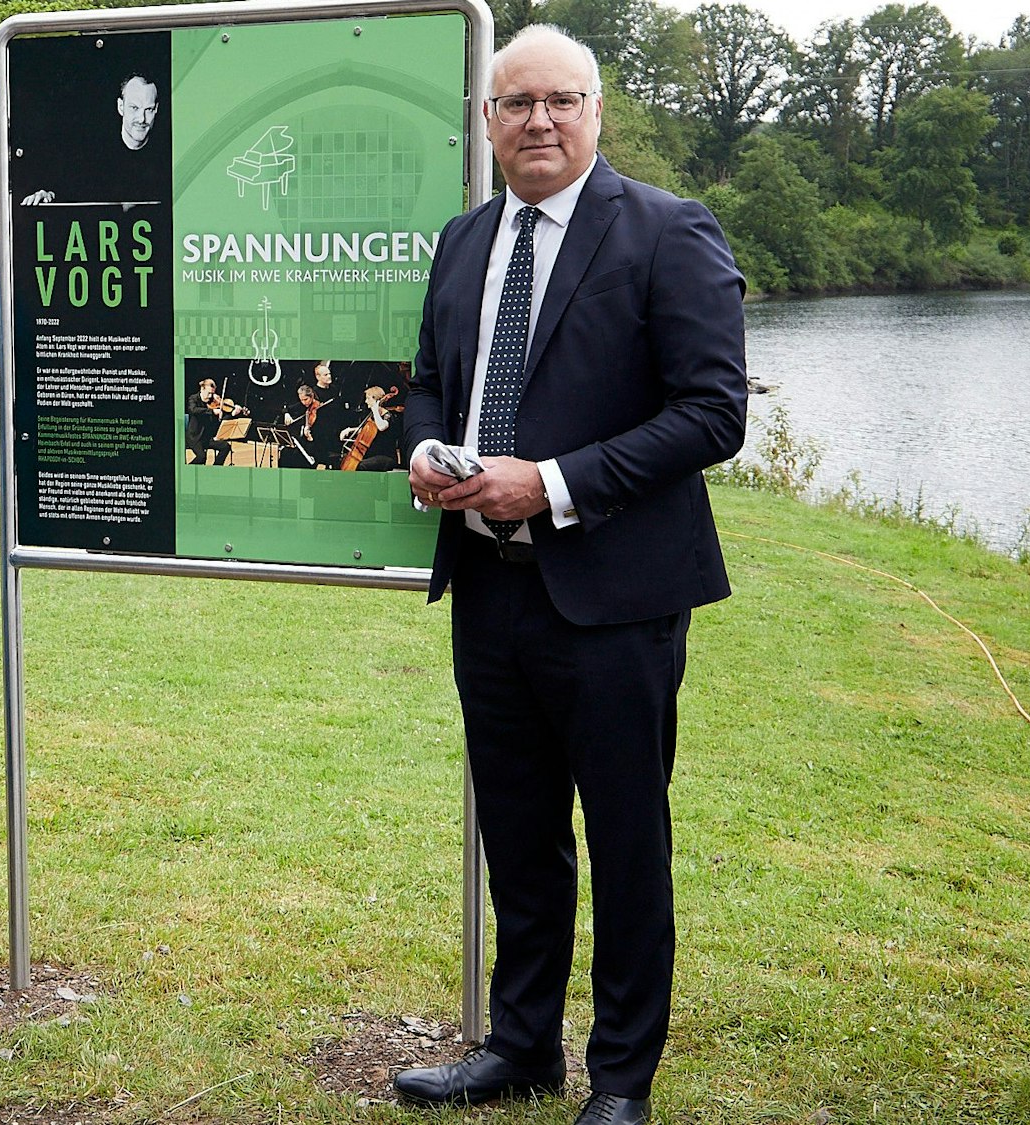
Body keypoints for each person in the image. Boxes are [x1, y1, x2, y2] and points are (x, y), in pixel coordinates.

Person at [395, 26, 747, 1123]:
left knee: (627, 843)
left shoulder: (666, 231)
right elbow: (426, 379)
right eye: (516, 103)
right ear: (486, 120)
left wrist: (547, 483)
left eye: (559, 100)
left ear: (595, 111)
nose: (537, 120)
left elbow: (712, 412)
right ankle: (521, 1049)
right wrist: (424, 447)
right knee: (518, 833)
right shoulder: (463, 239)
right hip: (489, 589)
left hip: (615, 601)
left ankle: (620, 1083)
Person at [18, 73, 166, 206]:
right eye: (134, 108)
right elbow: (67, 192)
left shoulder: (167, 158)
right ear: (121, 107)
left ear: (156, 109)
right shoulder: (92, 155)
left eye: (149, 109)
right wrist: (47, 197)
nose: (142, 119)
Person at [185, 377, 245, 466]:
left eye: (212, 393)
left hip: (206, 437)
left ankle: (215, 468)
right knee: (202, 457)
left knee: (226, 447)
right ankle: (188, 470)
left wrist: (232, 413)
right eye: (209, 393)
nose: (210, 396)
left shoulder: (213, 402)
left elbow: (221, 420)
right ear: (202, 389)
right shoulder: (193, 399)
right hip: (195, 437)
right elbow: (193, 410)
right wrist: (212, 411)